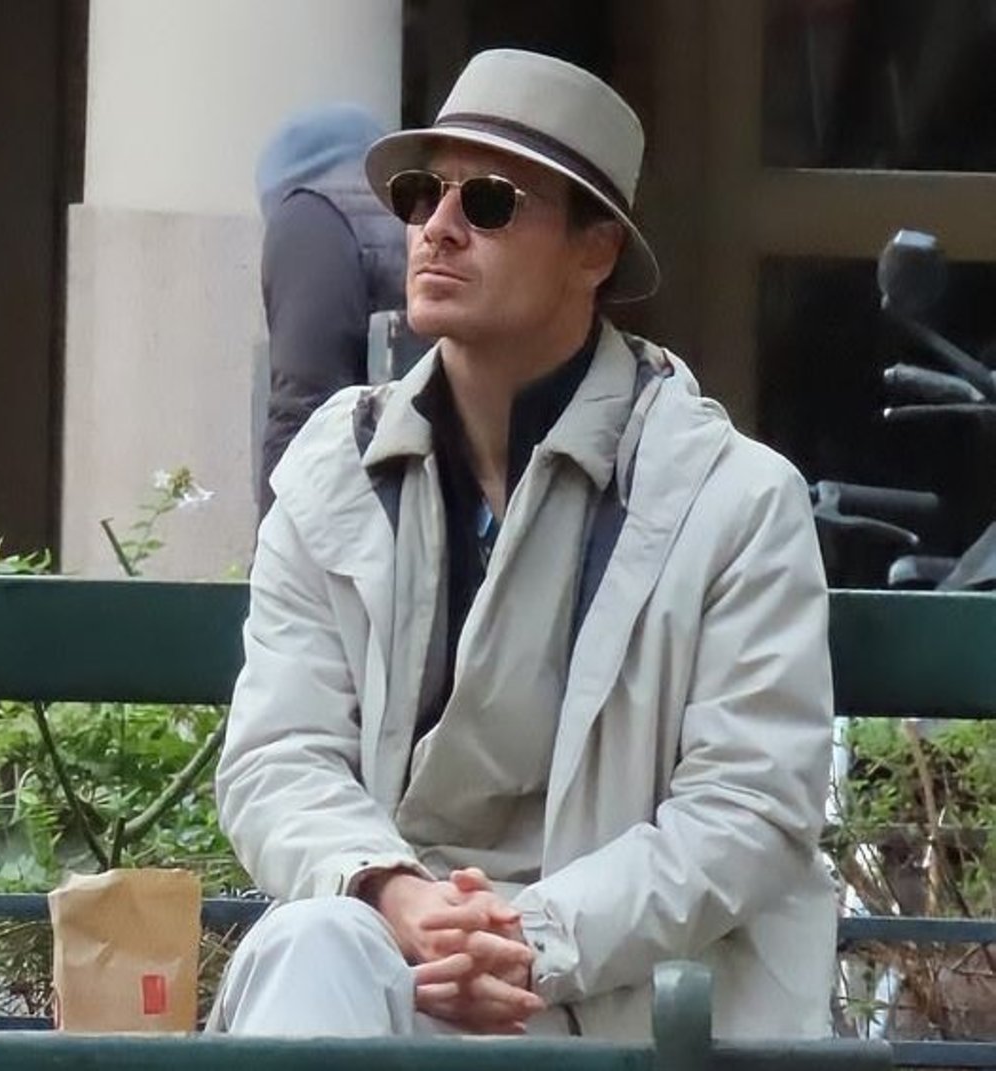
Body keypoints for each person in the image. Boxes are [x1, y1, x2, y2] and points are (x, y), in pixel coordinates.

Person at [212, 48, 835, 1041]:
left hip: (617, 998)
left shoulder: (735, 501)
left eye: (491, 203)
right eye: (422, 194)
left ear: (596, 251)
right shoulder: (334, 471)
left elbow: (746, 812)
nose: (438, 227)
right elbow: (278, 754)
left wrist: (526, 941)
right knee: (311, 943)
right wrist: (394, 895)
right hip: (390, 961)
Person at [254, 103, 424, 520]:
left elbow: (302, 405)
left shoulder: (308, 219)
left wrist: (274, 541)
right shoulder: (410, 212)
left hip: (355, 507)